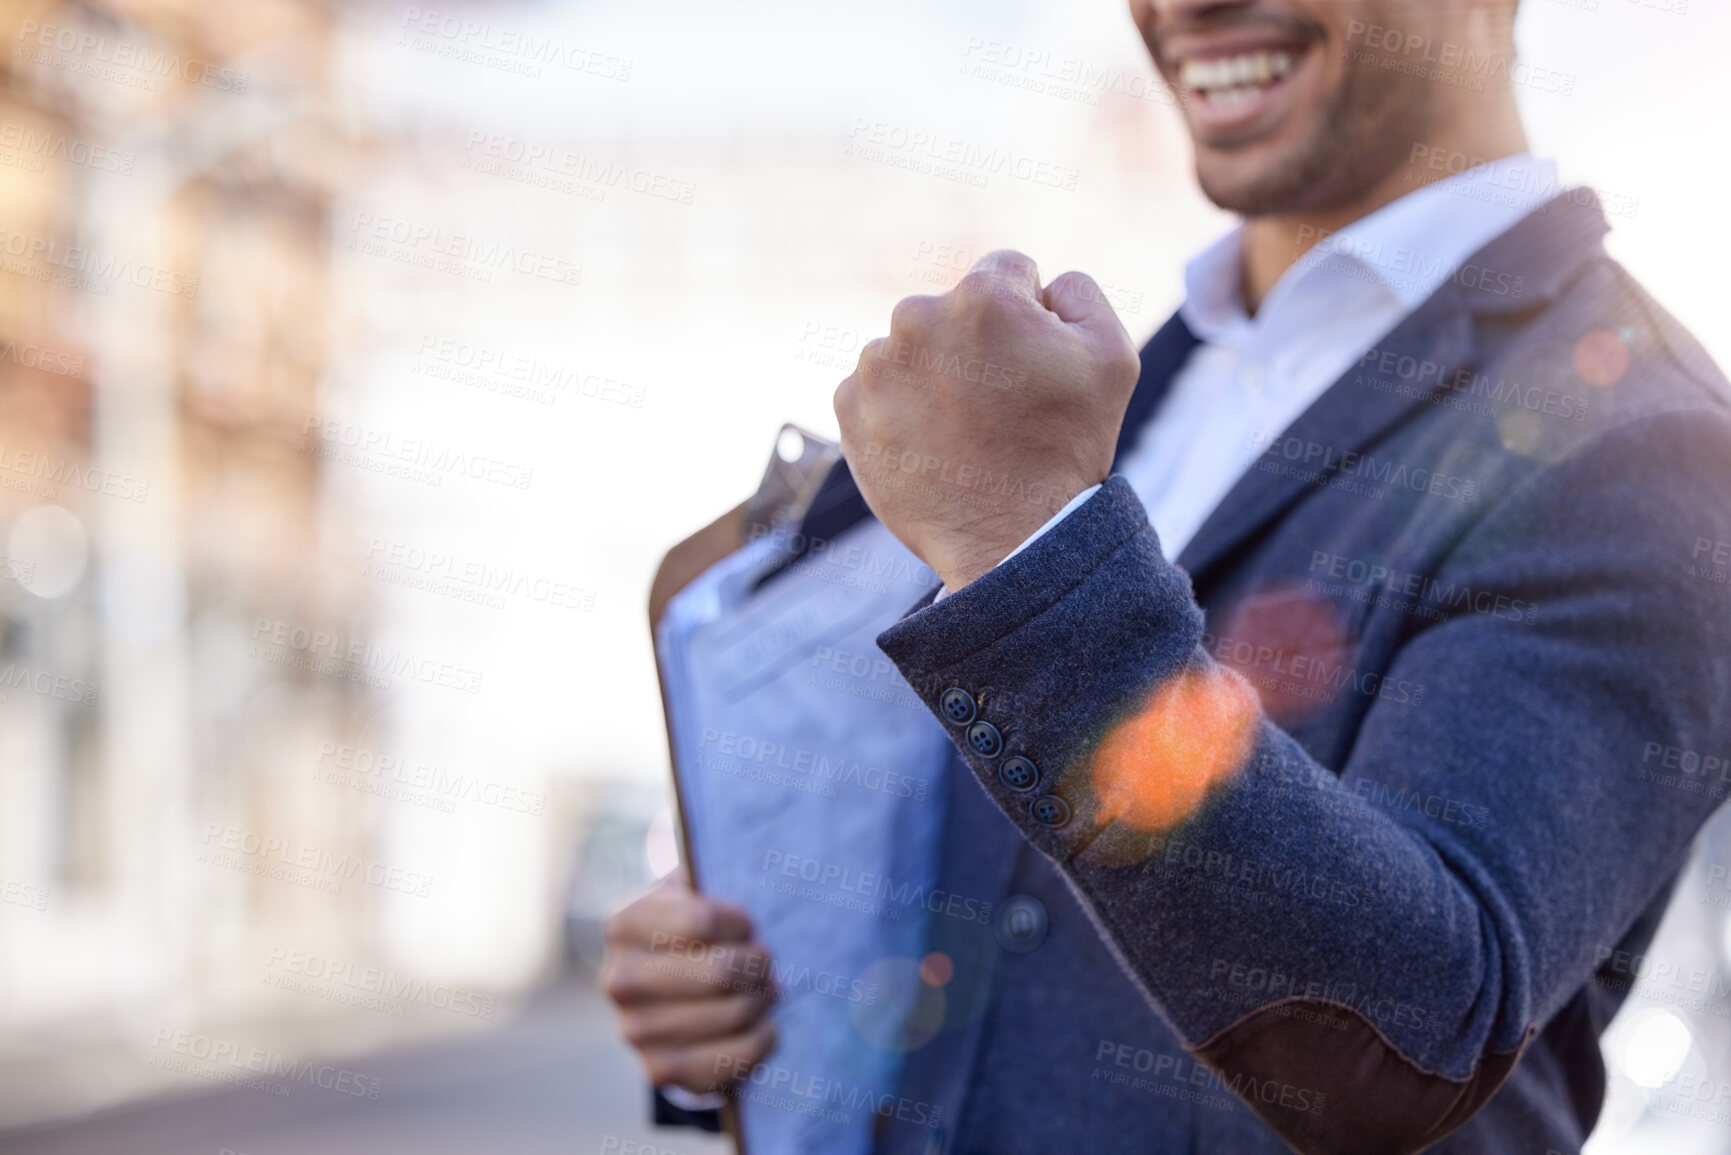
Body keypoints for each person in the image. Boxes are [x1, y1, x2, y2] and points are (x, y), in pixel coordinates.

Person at [605, 0, 1731, 1151]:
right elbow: (1020, 907)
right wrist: (743, 991)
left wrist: (1027, 555)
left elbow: (1414, 1037)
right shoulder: (1157, 372)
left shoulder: (1651, 443)